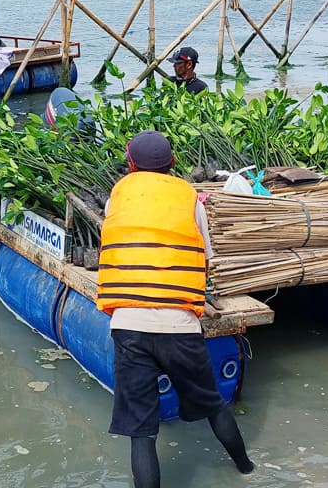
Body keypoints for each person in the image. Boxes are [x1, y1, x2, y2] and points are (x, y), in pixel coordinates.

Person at [96, 130, 254, 488]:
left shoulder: (117, 197)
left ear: (131, 164)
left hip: (128, 326)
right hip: (180, 326)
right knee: (213, 404)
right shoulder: (190, 200)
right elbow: (206, 260)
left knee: (142, 433)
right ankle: (246, 470)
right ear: (172, 164)